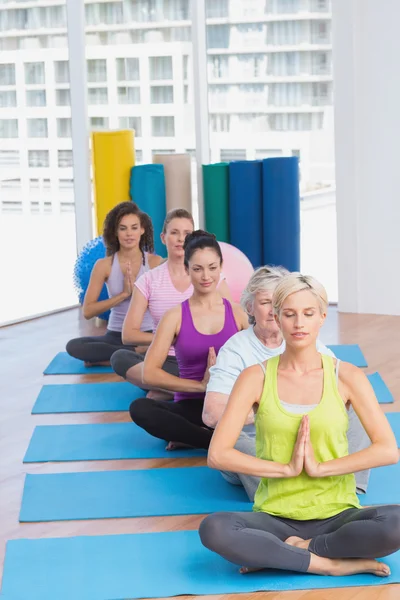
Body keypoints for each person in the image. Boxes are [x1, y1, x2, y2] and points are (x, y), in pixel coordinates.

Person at [199, 273, 400, 578]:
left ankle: (296, 550)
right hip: (275, 516)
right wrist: (285, 469)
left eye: (308, 314)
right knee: (214, 528)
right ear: (277, 318)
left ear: (322, 317)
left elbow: (388, 450)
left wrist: (322, 468)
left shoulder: (346, 376)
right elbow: (218, 454)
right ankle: (328, 564)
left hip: (338, 514)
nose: (299, 323)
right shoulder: (255, 377)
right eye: (289, 314)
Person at [202, 266, 371, 500]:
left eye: (279, 303)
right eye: (265, 303)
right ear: (250, 307)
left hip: (308, 438)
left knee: (360, 411)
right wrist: (272, 412)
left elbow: (340, 394)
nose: (273, 311)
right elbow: (211, 415)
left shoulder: (306, 341)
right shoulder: (236, 349)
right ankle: (287, 489)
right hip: (259, 442)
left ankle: (345, 482)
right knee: (232, 441)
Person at [129, 231, 248, 449]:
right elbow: (149, 372)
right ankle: (212, 442)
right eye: (197, 269)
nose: (206, 276)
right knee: (140, 408)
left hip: (228, 402)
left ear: (221, 267)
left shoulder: (239, 314)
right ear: (186, 269)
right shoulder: (174, 316)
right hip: (191, 405)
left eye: (212, 268)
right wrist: (200, 385)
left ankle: (190, 436)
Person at [110, 209, 232, 398]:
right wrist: (169, 338)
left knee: (151, 398)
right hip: (166, 359)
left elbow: (232, 323)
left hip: (203, 358)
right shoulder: (148, 280)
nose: (180, 239)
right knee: (120, 357)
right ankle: (186, 388)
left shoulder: (211, 278)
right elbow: (128, 334)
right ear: (163, 237)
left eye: (187, 234)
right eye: (174, 232)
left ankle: (167, 389)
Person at [66, 202, 162, 366]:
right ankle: (137, 353)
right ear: (115, 232)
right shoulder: (104, 265)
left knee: (166, 342)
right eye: (123, 228)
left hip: (144, 334)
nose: (129, 234)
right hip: (115, 335)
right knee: (74, 346)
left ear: (142, 229)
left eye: (134, 227)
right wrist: (123, 294)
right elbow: (88, 311)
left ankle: (109, 359)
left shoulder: (155, 263)